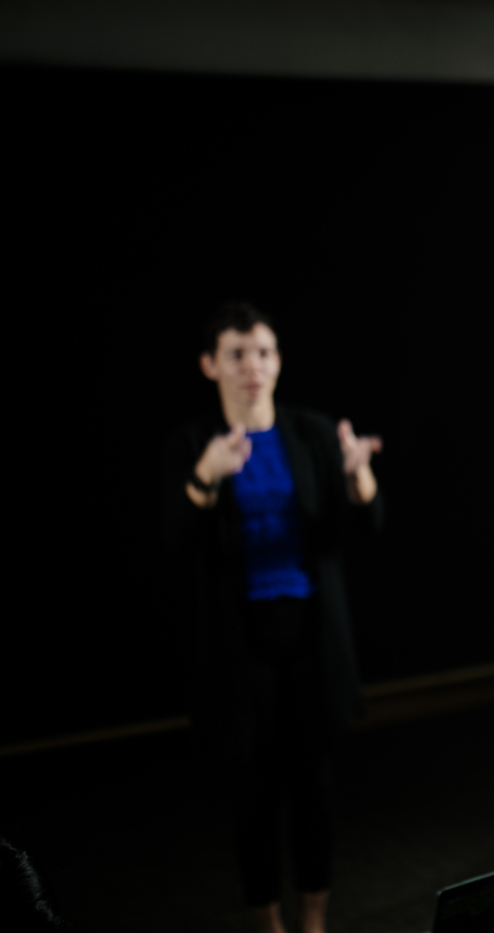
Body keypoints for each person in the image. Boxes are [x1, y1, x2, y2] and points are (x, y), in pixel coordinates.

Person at [162, 302, 383, 933]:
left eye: (262, 352)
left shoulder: (312, 432)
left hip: (310, 640)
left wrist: (360, 476)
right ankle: (269, 924)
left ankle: (313, 920)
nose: (251, 366)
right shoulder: (193, 443)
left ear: (278, 361)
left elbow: (366, 522)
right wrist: (206, 477)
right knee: (252, 795)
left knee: (315, 788)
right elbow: (175, 541)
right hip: (240, 647)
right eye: (236, 354)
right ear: (210, 365)